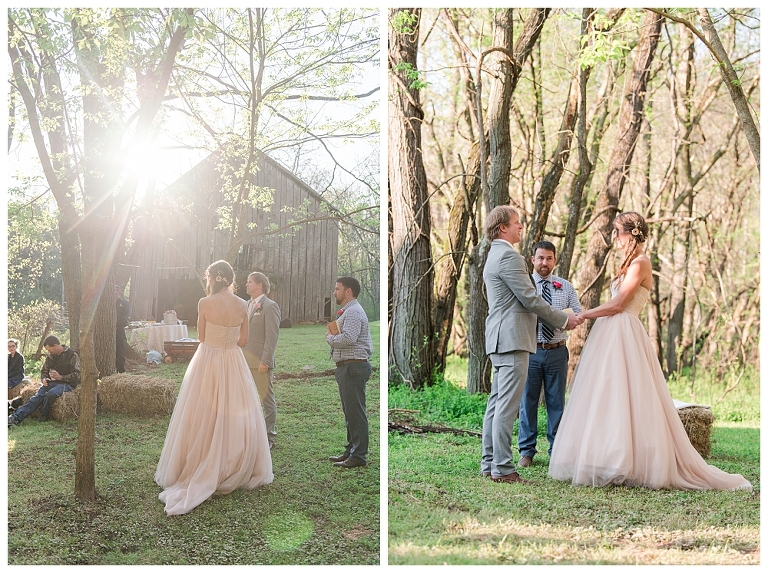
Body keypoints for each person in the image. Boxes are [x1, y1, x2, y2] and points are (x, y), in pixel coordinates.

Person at [549, 212, 751, 491]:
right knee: (609, 395)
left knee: (629, 396)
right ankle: (609, 458)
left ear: (631, 234)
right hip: (611, 333)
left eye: (618, 233)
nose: (615, 239)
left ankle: (630, 461)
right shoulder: (627, 264)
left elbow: (619, 303)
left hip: (625, 333)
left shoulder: (641, 263)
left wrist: (584, 315)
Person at [154, 260, 273, 515]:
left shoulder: (204, 303)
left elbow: (202, 337)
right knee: (235, 410)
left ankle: (199, 462)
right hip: (233, 360)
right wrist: (228, 343)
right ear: (231, 279)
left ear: (212, 278)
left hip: (208, 360)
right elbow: (243, 339)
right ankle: (234, 462)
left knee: (200, 409)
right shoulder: (243, 305)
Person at [480, 206, 583, 484]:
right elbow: (531, 299)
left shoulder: (494, 255)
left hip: (501, 337)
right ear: (503, 227)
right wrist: (563, 319)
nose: (520, 227)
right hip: (512, 338)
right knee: (506, 406)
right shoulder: (509, 257)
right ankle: (502, 467)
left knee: (496, 403)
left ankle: (489, 462)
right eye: (516, 223)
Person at [517, 241, 582, 469]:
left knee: (556, 403)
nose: (545, 263)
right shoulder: (524, 285)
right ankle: (526, 451)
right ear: (532, 259)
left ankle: (557, 450)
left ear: (555, 260)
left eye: (549, 258)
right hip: (531, 350)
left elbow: (578, 313)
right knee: (528, 401)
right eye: (541, 258)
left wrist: (564, 319)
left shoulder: (565, 286)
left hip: (556, 352)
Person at [325, 276, 373, 469]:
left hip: (353, 367)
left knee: (356, 413)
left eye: (337, 289)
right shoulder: (348, 311)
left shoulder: (353, 312)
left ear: (348, 291)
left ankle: (359, 455)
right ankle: (350, 450)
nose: (335, 292)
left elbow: (349, 338)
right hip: (347, 367)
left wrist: (330, 338)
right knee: (350, 412)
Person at [243, 271, 281, 449]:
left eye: (249, 282)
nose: (246, 285)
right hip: (244, 360)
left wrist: (265, 361)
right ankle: (252, 433)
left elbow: (271, 337)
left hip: (260, 363)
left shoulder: (269, 306)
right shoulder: (246, 305)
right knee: (246, 398)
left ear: (259, 285)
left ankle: (269, 436)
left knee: (266, 399)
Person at [8, 336, 80, 427]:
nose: (48, 352)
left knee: (51, 393)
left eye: (49, 349)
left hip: (67, 383)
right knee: (35, 399)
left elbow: (77, 375)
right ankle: (14, 418)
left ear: (55, 345)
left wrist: (61, 377)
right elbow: (44, 371)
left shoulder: (72, 355)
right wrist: (44, 379)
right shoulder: (51, 356)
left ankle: (44, 414)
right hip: (51, 382)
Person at [115, 284, 131, 373]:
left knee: (120, 349)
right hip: (109, 330)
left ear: (119, 292)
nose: (114, 293)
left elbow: (125, 316)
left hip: (119, 329)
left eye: (115, 291)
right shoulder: (108, 303)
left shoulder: (125, 303)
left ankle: (120, 370)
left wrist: (116, 324)